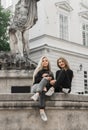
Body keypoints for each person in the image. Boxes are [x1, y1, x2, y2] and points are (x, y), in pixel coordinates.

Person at [30, 56, 54, 121]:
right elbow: (35, 81)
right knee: (44, 81)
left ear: (48, 62)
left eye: (46, 60)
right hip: (35, 87)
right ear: (41, 63)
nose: (45, 62)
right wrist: (42, 77)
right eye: (43, 61)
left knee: (43, 90)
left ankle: (42, 110)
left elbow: (51, 83)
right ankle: (38, 92)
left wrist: (47, 85)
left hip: (43, 89)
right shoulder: (39, 71)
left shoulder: (51, 73)